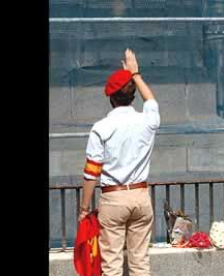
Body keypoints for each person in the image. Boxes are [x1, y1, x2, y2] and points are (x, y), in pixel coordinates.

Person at [78, 48, 160, 276]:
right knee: (140, 264)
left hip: (113, 199)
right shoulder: (147, 121)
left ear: (111, 98)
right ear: (132, 95)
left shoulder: (101, 128)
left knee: (111, 267)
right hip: (141, 197)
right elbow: (151, 101)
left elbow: (91, 172)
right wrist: (135, 74)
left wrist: (84, 209)